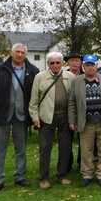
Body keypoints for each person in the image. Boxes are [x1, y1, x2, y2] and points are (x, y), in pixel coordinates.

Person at [0, 43, 39, 192]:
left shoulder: (33, 71)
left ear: (25, 54)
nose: (19, 55)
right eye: (17, 52)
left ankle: (20, 176)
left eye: (22, 52)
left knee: (20, 148)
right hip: (2, 114)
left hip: (22, 115)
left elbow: (37, 95)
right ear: (11, 53)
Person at [68, 54, 101, 187]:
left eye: (93, 65)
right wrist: (72, 120)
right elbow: (72, 102)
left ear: (97, 65)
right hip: (86, 122)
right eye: (87, 65)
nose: (90, 68)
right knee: (86, 150)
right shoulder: (76, 81)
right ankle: (87, 174)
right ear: (83, 66)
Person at [29, 52, 74, 189]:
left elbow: (74, 99)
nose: (55, 65)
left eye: (58, 62)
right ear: (48, 64)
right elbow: (33, 101)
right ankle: (44, 177)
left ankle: (62, 174)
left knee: (65, 147)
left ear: (62, 63)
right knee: (45, 148)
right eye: (52, 63)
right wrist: (35, 117)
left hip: (65, 117)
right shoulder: (40, 77)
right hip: (46, 117)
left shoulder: (70, 76)